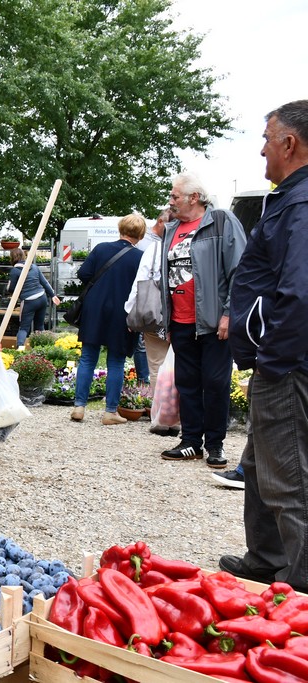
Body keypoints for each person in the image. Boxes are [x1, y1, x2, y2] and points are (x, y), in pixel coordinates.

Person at [219, 100, 308, 588]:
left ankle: (298, 587)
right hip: (280, 362)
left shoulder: (301, 204)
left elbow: (299, 293)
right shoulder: (290, 199)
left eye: (267, 139)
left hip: (289, 367)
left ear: (290, 144)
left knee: (289, 479)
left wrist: (273, 360)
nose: (261, 150)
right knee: (259, 463)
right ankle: (265, 558)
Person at [158, 173, 246, 468]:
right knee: (187, 383)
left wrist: (229, 313)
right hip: (181, 322)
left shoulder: (220, 221)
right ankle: (191, 442)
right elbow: (165, 277)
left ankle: (216, 445)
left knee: (216, 383)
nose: (170, 203)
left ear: (193, 198)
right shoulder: (171, 230)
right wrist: (167, 320)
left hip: (213, 322)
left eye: (174, 197)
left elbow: (240, 271)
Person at [70, 213, 145, 425]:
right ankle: (110, 411)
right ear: (140, 235)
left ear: (120, 229)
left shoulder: (101, 248)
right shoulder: (140, 257)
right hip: (122, 312)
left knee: (87, 358)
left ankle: (79, 406)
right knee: (116, 361)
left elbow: (84, 274)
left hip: (94, 309)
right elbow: (143, 288)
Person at [125, 209, 172, 398]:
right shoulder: (194, 246)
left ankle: (162, 412)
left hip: (155, 315)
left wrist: (131, 312)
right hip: (185, 316)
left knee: (157, 365)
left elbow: (141, 281)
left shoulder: (154, 249)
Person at [7, 247, 60, 348]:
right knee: (39, 326)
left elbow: (11, 288)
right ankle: (42, 349)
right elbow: (44, 282)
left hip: (28, 301)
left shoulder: (15, 270)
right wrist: (53, 295)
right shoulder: (34, 267)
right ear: (23, 256)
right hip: (42, 298)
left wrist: (9, 289)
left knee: (24, 328)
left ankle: (20, 349)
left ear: (12, 258)